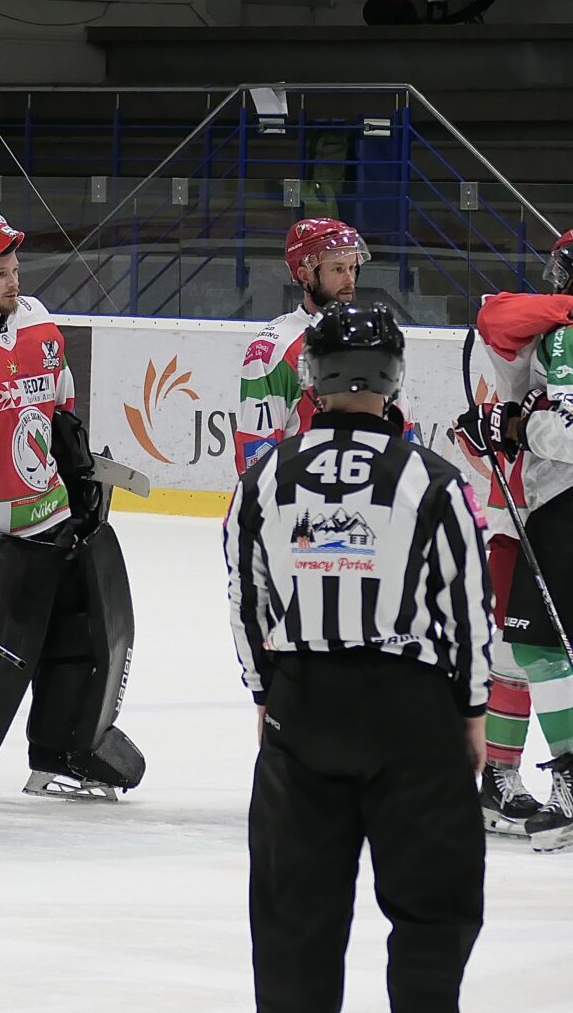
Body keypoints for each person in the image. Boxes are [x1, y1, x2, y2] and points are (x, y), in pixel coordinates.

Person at [225, 302, 491, 1011]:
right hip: (414, 713)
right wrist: (472, 708)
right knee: (433, 907)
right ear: (394, 376)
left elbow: (246, 600)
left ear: (313, 376)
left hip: (304, 705)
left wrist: (266, 694)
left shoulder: (264, 478)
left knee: (293, 918)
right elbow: (469, 604)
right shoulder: (433, 478)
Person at [0, 200, 145, 802]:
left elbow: (61, 410)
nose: (14, 280)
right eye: (0, 272)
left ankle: (67, 746)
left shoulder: (39, 321)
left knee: (83, 632)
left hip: (53, 514)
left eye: (15, 268)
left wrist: (80, 470)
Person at [452, 235, 573, 851]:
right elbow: (494, 314)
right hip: (524, 509)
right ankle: (499, 778)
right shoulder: (546, 329)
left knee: (529, 648)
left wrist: (516, 427)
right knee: (517, 647)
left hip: (548, 503)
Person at [235, 218, 370, 473]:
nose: (350, 280)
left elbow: (403, 431)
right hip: (303, 494)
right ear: (305, 275)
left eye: (353, 268)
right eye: (338, 269)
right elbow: (257, 448)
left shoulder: (374, 339)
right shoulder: (273, 348)